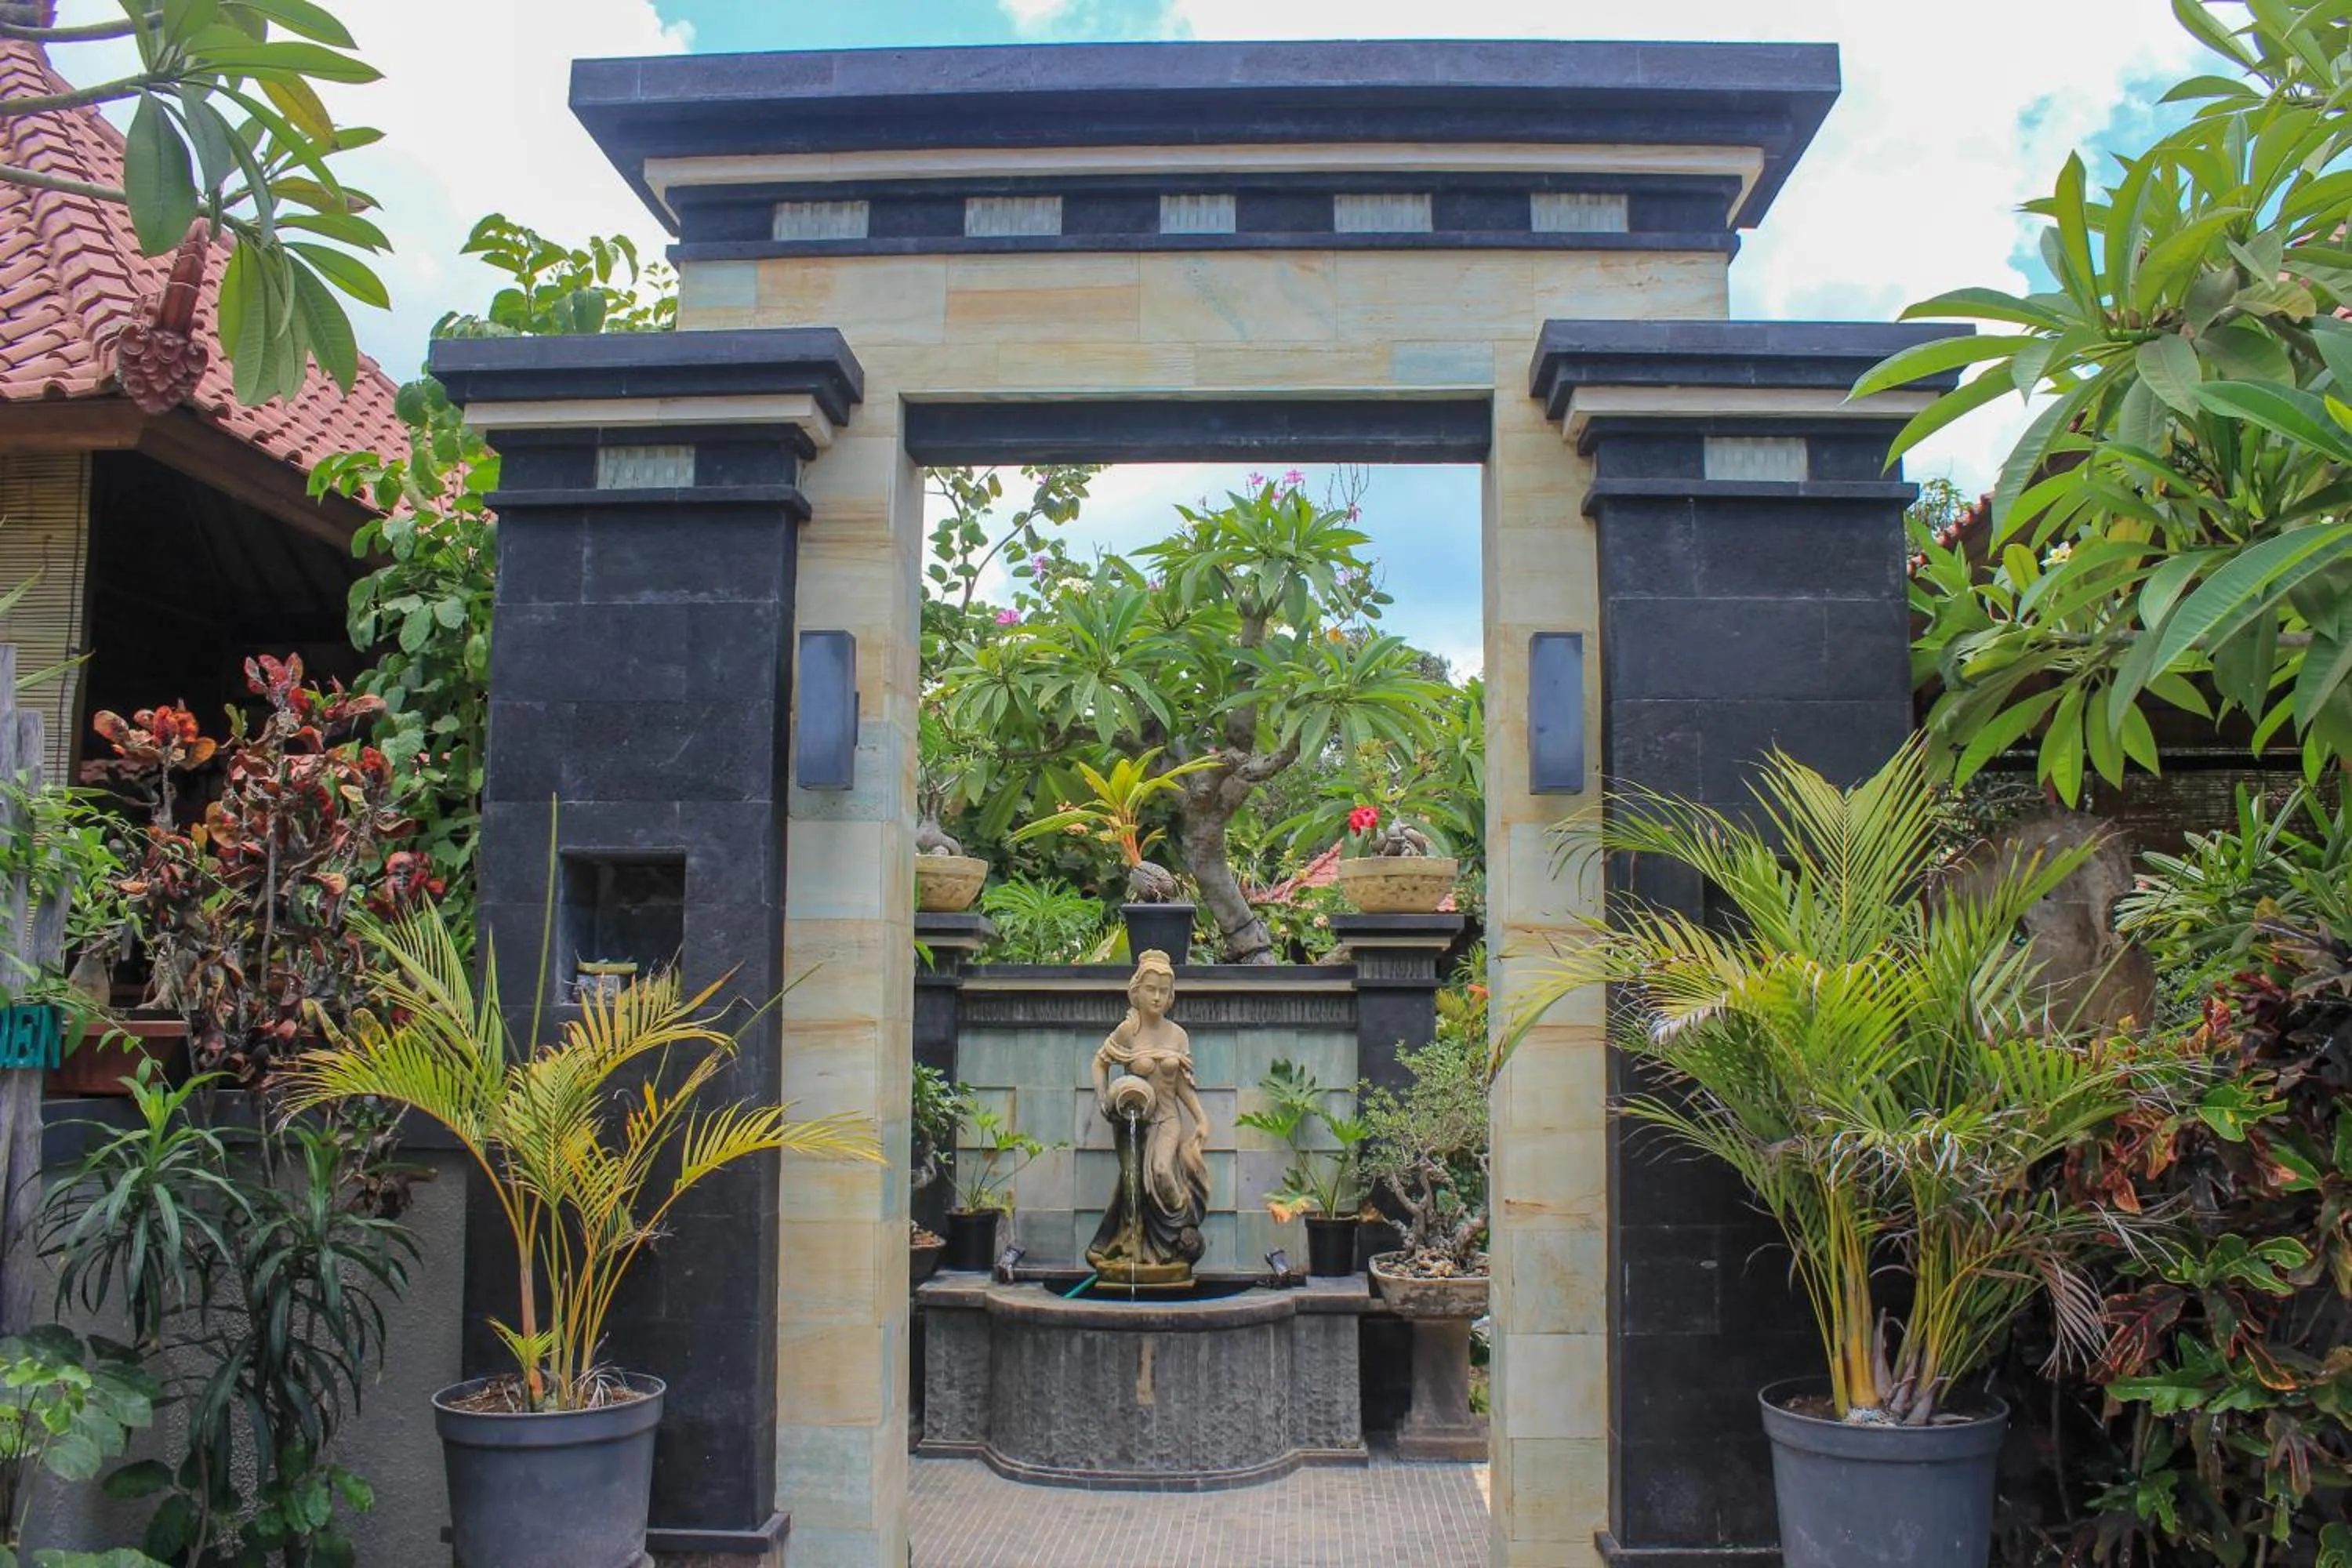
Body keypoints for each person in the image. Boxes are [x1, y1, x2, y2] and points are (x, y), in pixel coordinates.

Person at [1086, 949, 1210, 1276]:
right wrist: (1103, 1098)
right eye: (1151, 989)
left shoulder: (1178, 1035)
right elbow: (1100, 1063)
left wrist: (1201, 1118)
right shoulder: (1128, 1031)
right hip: (1132, 1121)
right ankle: (1130, 1250)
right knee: (1131, 1185)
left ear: (1171, 996)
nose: (1157, 997)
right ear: (1137, 992)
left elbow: (1181, 1085)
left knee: (1161, 1172)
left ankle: (1181, 1232)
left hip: (1167, 1118)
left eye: (1163, 991)